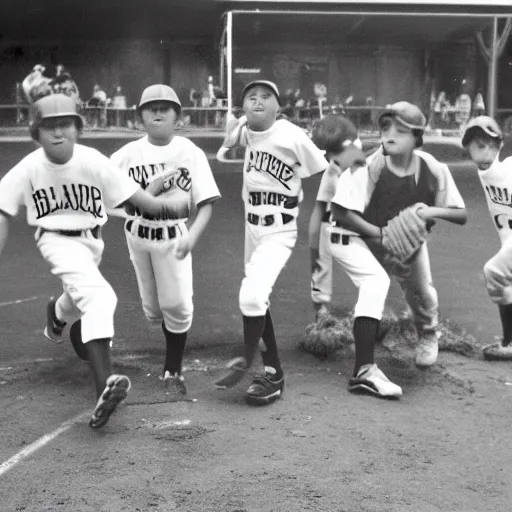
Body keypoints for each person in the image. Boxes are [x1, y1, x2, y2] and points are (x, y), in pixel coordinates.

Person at [0, 93, 190, 428]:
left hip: (91, 242)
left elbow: (138, 200)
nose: (58, 133)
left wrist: (177, 207)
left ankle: (58, 313)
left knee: (78, 301)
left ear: (78, 128)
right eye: (49, 127)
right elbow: (2, 209)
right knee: (101, 298)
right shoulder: (29, 168)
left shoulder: (92, 161)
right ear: (35, 133)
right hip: (55, 240)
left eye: (65, 125)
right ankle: (104, 386)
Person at [330, 101, 467, 398]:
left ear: (417, 137)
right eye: (385, 127)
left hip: (409, 243)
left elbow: (461, 214)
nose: (390, 135)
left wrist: (431, 212)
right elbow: (341, 212)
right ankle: (366, 356)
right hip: (367, 238)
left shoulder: (433, 168)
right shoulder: (369, 166)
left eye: (401, 130)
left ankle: (428, 334)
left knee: (421, 292)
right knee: (374, 286)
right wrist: (379, 236)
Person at [214, 80, 328, 405]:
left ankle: (249, 357)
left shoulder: (290, 135)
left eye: (267, 97)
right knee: (258, 299)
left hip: (279, 230)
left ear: (279, 107)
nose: (259, 101)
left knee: (250, 295)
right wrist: (232, 129)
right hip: (253, 230)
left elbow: (322, 167)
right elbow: (231, 143)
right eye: (251, 98)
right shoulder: (247, 131)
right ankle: (274, 374)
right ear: (244, 108)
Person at [110, 84, 221, 395]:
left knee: (177, 305)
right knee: (153, 309)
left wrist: (194, 235)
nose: (157, 113)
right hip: (137, 237)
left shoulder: (190, 152)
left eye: (165, 108)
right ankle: (167, 330)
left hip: (173, 238)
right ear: (139, 117)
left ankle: (173, 368)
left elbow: (207, 203)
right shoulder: (127, 154)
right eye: (150, 108)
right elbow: (100, 186)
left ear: (178, 117)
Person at [460, 117, 512, 360]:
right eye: (478, 144)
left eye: (490, 143)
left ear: (500, 145)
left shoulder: (509, 168)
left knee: (494, 271)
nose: (485, 148)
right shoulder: (485, 173)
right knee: (507, 286)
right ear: (467, 149)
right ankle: (509, 341)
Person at [308, 115, 366, 320]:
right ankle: (320, 306)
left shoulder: (359, 159)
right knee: (322, 251)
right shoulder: (331, 169)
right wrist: (314, 239)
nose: (329, 160)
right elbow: (320, 208)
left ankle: (369, 303)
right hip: (334, 212)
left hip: (360, 212)